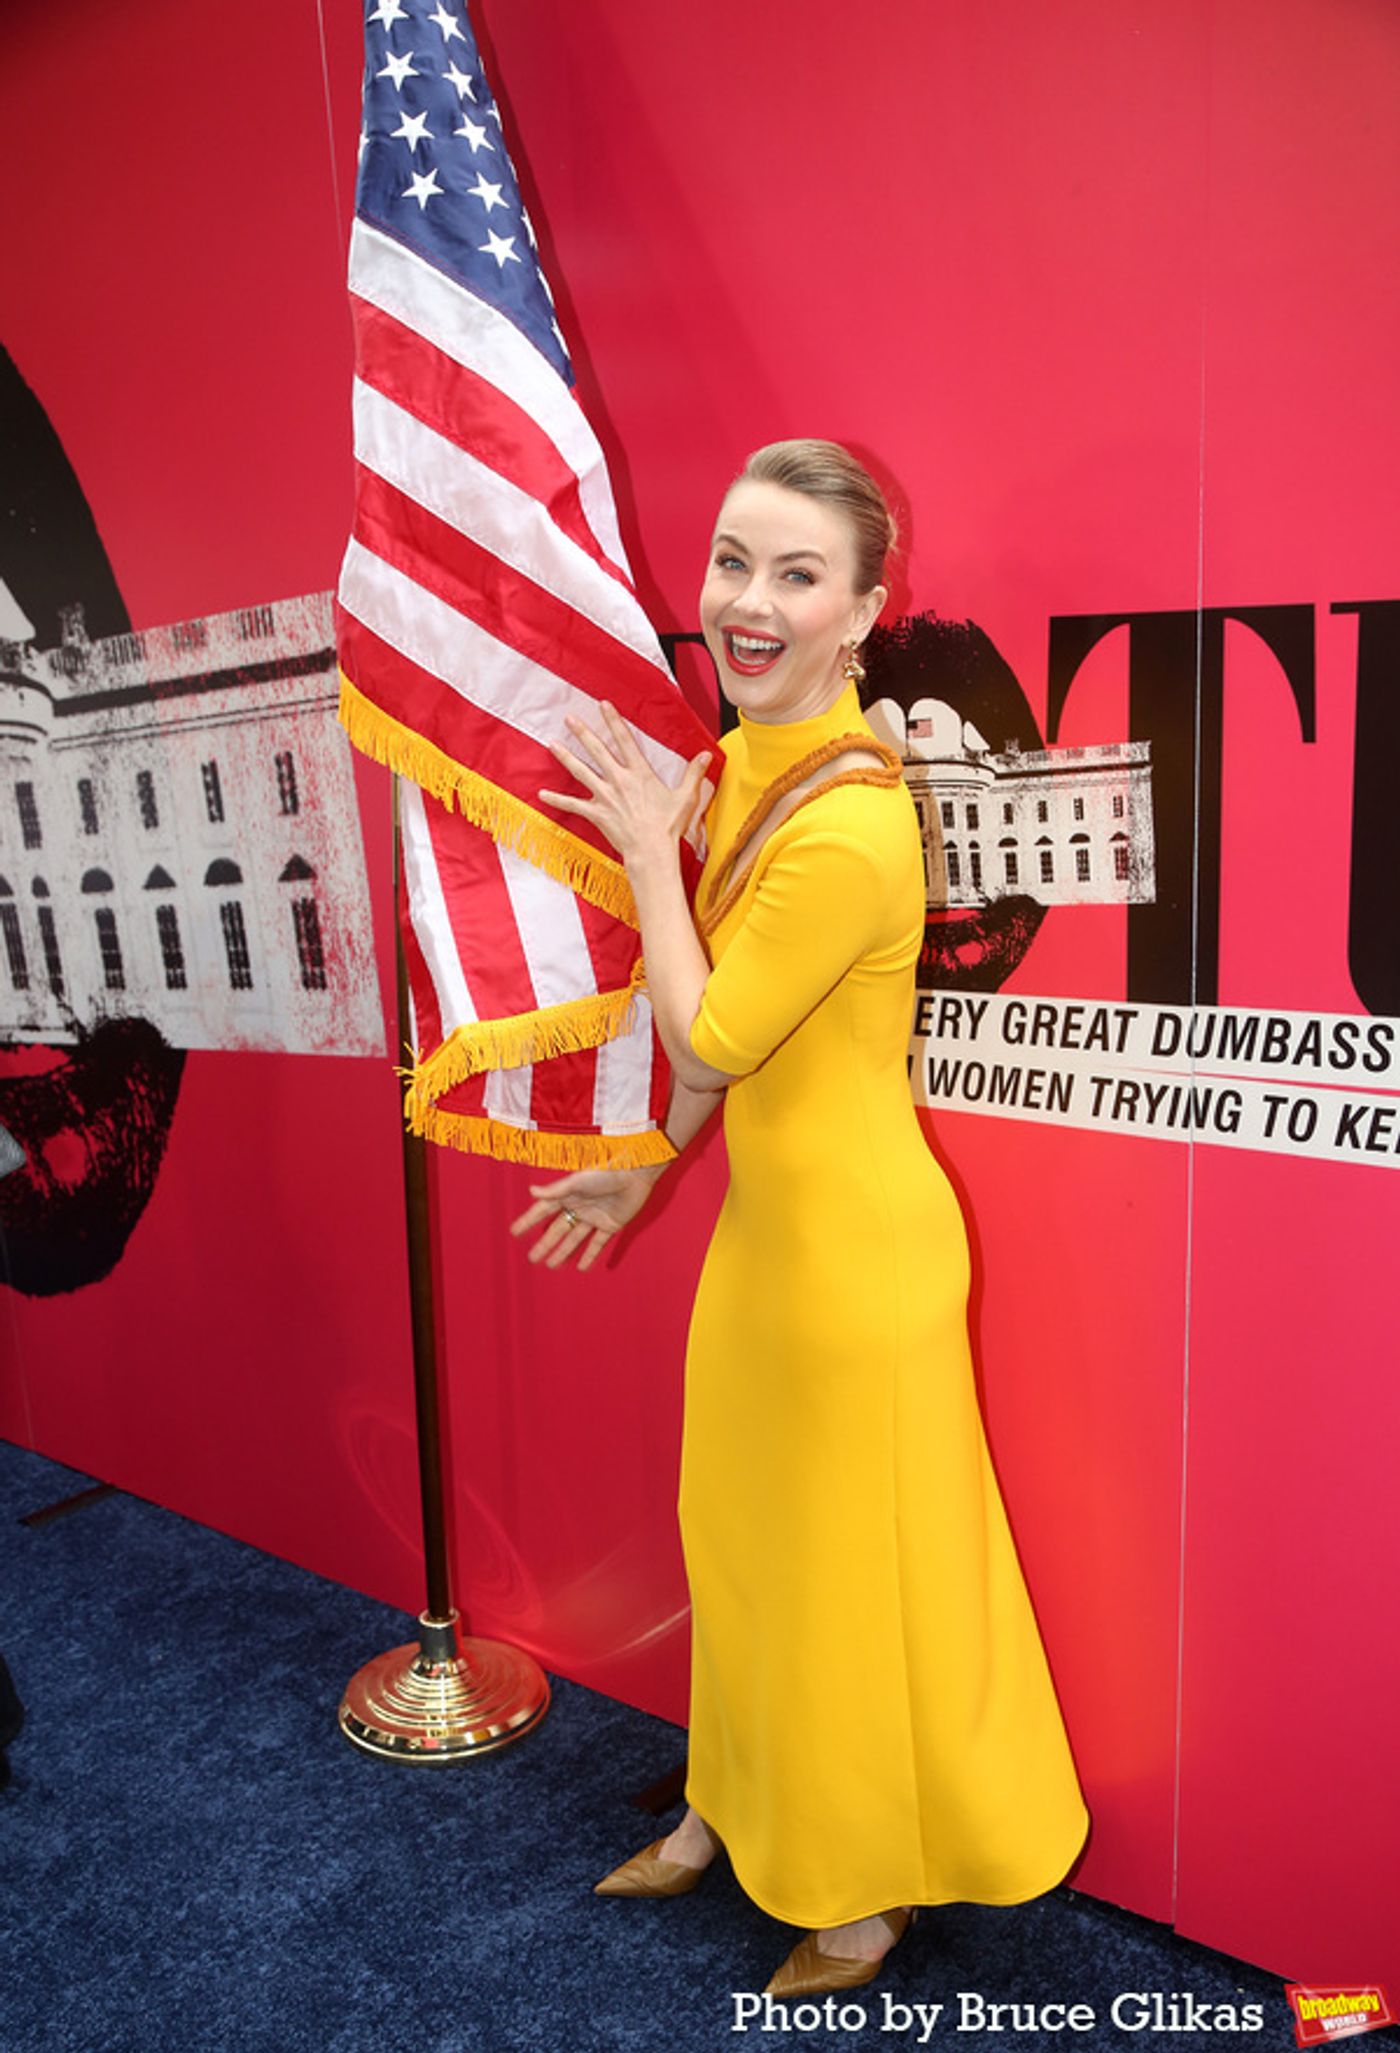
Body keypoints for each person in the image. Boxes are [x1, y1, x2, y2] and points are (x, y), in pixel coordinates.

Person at [511, 439, 1089, 1996]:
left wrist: (651, 852)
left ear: (864, 613)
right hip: (771, 1246)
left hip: (855, 1264)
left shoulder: (849, 819)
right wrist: (651, 1167)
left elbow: (713, 1028)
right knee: (744, 1541)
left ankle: (862, 1889)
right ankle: (728, 1803)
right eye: (732, 561)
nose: (748, 602)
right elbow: (741, 1039)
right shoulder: (755, 759)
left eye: (797, 574)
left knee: (841, 1582)